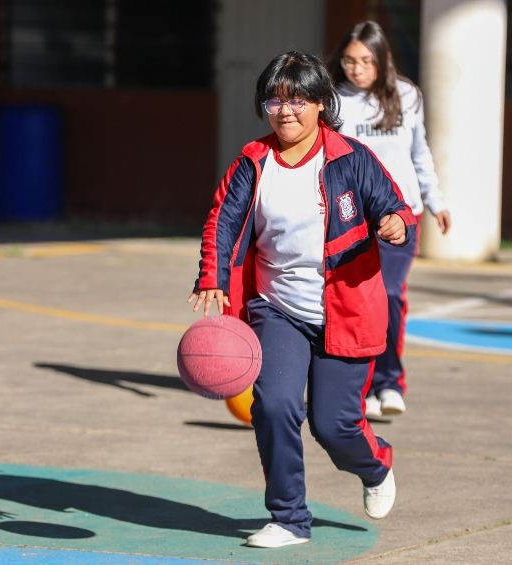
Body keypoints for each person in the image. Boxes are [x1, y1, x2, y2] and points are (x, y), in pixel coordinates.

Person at [187, 50, 417, 549]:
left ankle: (375, 466)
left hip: (346, 309)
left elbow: (394, 206)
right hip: (278, 308)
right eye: (274, 100)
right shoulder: (253, 161)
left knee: (334, 427)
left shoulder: (351, 159)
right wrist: (212, 276)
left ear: (320, 104)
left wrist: (396, 224)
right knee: (273, 406)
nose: (284, 111)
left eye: (298, 100)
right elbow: (221, 220)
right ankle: (289, 518)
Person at [328, 21, 452, 418]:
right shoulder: (333, 100)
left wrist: (434, 199)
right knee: (356, 301)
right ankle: (360, 387)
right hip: (353, 218)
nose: (356, 69)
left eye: (365, 61)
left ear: (383, 60)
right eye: (349, 61)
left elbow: (420, 152)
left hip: (402, 214)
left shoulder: (407, 95)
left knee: (391, 293)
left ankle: (389, 383)